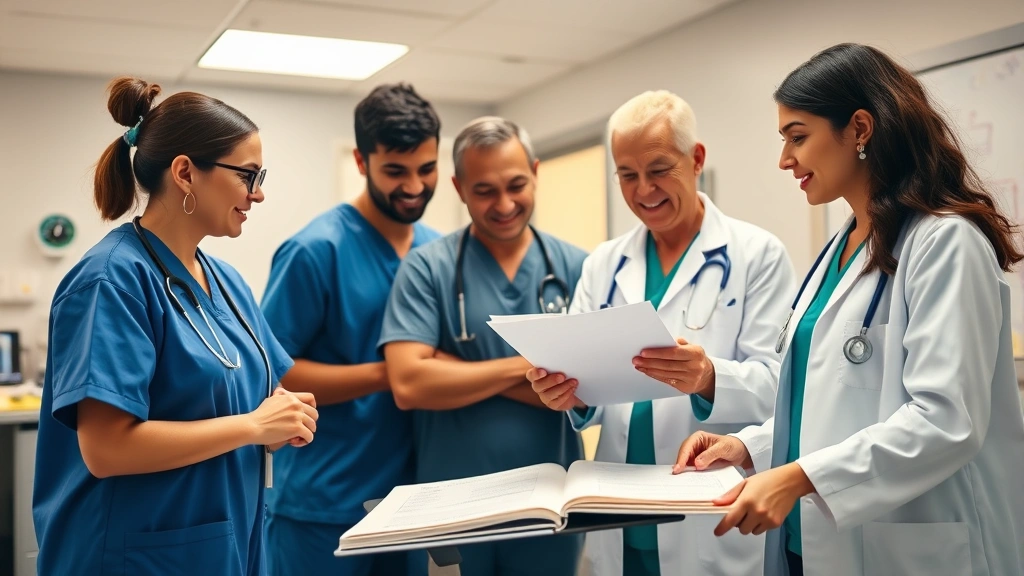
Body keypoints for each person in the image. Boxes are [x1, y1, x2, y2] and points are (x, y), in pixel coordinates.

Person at [675, 43, 1024, 576]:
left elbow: (946, 419)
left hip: (912, 545)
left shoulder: (945, 243)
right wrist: (747, 447)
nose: (785, 159)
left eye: (797, 137)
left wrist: (796, 478)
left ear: (860, 129)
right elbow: (825, 405)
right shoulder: (841, 248)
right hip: (809, 544)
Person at [32, 77, 318, 576]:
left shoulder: (227, 282)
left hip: (225, 546)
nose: (258, 194)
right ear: (185, 172)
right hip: (132, 555)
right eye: (247, 175)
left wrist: (281, 421)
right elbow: (106, 448)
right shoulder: (110, 280)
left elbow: (256, 402)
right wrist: (253, 426)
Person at [527, 90, 796, 576]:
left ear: (696, 160)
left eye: (658, 169)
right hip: (617, 511)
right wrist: (566, 392)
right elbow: (586, 390)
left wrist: (709, 377)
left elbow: (782, 383)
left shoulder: (758, 255)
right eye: (627, 175)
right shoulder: (604, 264)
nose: (643, 190)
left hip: (708, 509)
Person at [379, 116, 587, 576]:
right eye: (485, 191)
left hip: (549, 504)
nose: (505, 204)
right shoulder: (426, 268)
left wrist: (451, 366)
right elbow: (409, 384)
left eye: (517, 185)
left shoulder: (579, 268)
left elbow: (588, 392)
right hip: (451, 507)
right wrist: (531, 369)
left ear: (536, 172)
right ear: (458, 188)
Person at [260, 83, 441, 576]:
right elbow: (274, 375)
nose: (414, 186)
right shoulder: (314, 251)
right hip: (323, 504)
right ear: (362, 162)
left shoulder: (437, 252)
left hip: (408, 503)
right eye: (395, 171)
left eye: (426, 169)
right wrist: (395, 374)